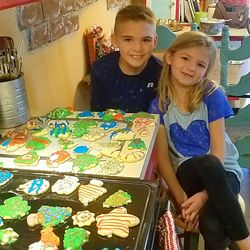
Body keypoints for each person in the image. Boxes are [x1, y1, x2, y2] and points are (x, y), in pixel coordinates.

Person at [148, 31, 250, 250]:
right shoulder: (159, 106)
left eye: (201, 64)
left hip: (225, 171)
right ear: (170, 57)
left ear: (205, 71)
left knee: (212, 225)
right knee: (207, 163)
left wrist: (204, 197)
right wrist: (181, 198)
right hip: (188, 172)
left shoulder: (211, 94)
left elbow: (219, 150)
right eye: (185, 58)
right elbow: (164, 161)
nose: (191, 67)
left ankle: (242, 243)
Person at [90, 4, 162, 113]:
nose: (137, 48)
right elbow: (96, 113)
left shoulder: (162, 73)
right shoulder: (100, 70)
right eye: (128, 40)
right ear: (114, 40)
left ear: (155, 41)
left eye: (146, 40)